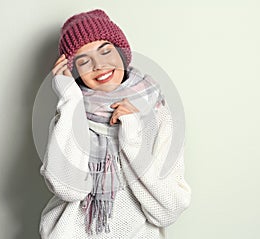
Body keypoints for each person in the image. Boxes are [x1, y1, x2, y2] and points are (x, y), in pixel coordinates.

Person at [39, 9, 191, 239]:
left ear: (122, 53)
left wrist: (131, 136)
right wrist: (70, 100)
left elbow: (167, 210)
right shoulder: (70, 115)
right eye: (84, 60)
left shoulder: (157, 114)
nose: (99, 65)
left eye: (106, 51)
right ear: (74, 72)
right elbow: (68, 189)